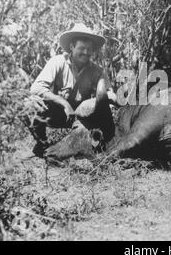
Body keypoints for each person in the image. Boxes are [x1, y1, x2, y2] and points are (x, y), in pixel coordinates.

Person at [26, 23, 116, 157]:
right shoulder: (57, 62)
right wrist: (64, 103)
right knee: (31, 104)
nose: (86, 52)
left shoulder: (97, 71)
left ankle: (82, 143)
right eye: (82, 48)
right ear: (72, 47)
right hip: (59, 113)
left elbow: (109, 93)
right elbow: (36, 88)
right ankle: (42, 142)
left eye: (89, 49)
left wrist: (111, 97)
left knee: (84, 147)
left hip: (82, 119)